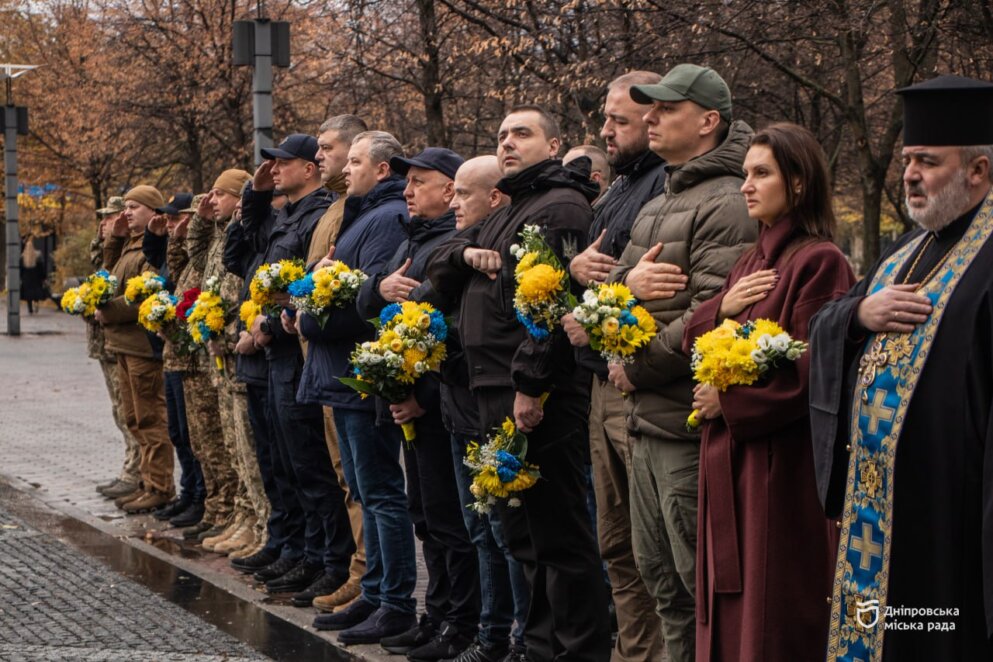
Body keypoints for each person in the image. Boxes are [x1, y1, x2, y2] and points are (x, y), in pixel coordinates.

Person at [809, 74, 993, 661]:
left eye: (927, 162)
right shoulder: (905, 253)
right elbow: (828, 320)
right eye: (908, 160)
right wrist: (860, 313)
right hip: (881, 506)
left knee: (935, 632)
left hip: (952, 511)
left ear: (979, 172)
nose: (909, 174)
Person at [428, 104, 612, 662]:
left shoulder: (558, 207)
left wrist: (530, 386)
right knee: (521, 534)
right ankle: (538, 647)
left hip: (536, 397)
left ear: (553, 146)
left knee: (558, 536)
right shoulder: (516, 204)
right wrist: (464, 251)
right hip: (495, 392)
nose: (508, 143)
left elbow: (552, 308)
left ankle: (575, 650)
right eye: (502, 134)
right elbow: (438, 260)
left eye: (523, 134)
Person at [682, 123, 853, 661]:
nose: (745, 186)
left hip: (778, 471)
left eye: (761, 174)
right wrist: (723, 308)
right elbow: (694, 340)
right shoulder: (751, 260)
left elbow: (817, 375)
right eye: (744, 174)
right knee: (731, 607)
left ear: (798, 183)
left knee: (772, 608)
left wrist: (727, 402)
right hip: (733, 462)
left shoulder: (820, 262)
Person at [605, 64, 756, 662]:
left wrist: (632, 367)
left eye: (666, 109)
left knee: (700, 590)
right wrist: (626, 298)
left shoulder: (728, 201)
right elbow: (617, 287)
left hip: (684, 428)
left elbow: (712, 316)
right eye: (651, 108)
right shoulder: (666, 194)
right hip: (646, 421)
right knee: (661, 584)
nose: (651, 118)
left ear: (708, 120)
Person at [349, 147, 481, 660]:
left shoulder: (450, 242)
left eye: (419, 182)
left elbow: (445, 334)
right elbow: (368, 303)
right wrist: (379, 287)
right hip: (405, 401)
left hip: (433, 405)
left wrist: (418, 398)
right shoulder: (412, 237)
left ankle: (457, 622)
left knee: (449, 520)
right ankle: (438, 615)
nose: (407, 191)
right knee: (424, 515)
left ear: (449, 190)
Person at [562, 70, 668, 662]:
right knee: (618, 546)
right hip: (602, 376)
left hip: (636, 379)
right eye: (605, 118)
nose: (605, 130)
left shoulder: (663, 183)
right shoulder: (623, 185)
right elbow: (599, 264)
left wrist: (602, 310)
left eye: (617, 120)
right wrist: (578, 275)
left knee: (652, 552)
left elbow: (660, 277)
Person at [241, 134, 354, 600]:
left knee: (311, 464)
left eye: (282, 163)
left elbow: (308, 283)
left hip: (293, 350)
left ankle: (326, 560)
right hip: (276, 352)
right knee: (287, 462)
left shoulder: (318, 215)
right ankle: (301, 551)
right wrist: (256, 194)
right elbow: (242, 254)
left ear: (307, 169)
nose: (275, 169)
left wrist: (271, 321)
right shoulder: (285, 215)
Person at [440, 155, 532, 662]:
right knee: (482, 529)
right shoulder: (464, 247)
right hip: (461, 405)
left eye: (462, 194)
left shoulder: (506, 248)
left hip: (493, 405)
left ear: (494, 197)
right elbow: (434, 282)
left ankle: (517, 638)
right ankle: (491, 634)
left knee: (504, 530)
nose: (453, 204)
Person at [300, 114, 370, 612]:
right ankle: (356, 571)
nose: (319, 155)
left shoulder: (360, 211)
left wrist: (302, 319)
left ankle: (365, 576)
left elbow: (349, 288)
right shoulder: (338, 207)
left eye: (327, 147)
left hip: (345, 364)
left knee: (359, 480)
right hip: (321, 361)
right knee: (344, 476)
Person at [95, 185, 175, 513]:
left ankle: (159, 486)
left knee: (149, 418)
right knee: (133, 418)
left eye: (135, 207)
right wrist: (114, 238)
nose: (127, 212)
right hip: (122, 345)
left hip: (142, 346)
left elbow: (142, 295)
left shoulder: (152, 249)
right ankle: (145, 482)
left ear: (153, 211)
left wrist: (105, 312)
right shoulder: (130, 244)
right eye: (126, 206)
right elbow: (108, 278)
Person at [90, 197, 144, 501]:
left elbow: (115, 289)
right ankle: (131, 465)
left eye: (110, 217)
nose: (105, 223)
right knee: (120, 409)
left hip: (124, 341)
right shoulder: (115, 247)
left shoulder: (132, 248)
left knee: (130, 410)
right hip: (106, 342)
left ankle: (136, 470)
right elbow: (101, 277)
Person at [20, 237, 47, 314]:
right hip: (36, 279)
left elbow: (21, 269)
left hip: (26, 279)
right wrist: (43, 277)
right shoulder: (38, 255)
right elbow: (41, 268)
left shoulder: (22, 257)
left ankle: (30, 308)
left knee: (28, 295)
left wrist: (21, 277)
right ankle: (36, 303)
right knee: (36, 292)